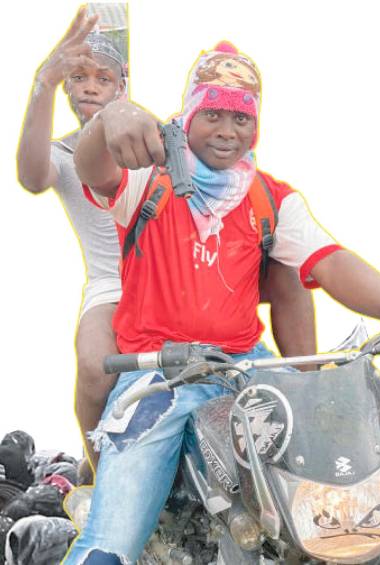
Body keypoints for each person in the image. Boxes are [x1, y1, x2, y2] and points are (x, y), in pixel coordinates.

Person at [63, 40, 380, 563]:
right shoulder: (146, 182)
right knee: (113, 542)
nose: (227, 130)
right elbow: (92, 169)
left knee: (327, 499)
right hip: (160, 375)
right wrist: (109, 119)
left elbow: (330, 261)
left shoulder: (271, 198)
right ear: (190, 114)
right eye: (213, 114)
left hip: (247, 370)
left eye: (241, 118)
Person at [15, 8, 317, 474]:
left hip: (189, 268)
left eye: (102, 78)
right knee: (95, 366)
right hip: (115, 283)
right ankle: (101, 467)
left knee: (291, 266)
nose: (90, 87)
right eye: (78, 78)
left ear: (123, 87)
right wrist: (44, 82)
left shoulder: (148, 134)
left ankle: (306, 397)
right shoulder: (65, 152)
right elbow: (33, 177)